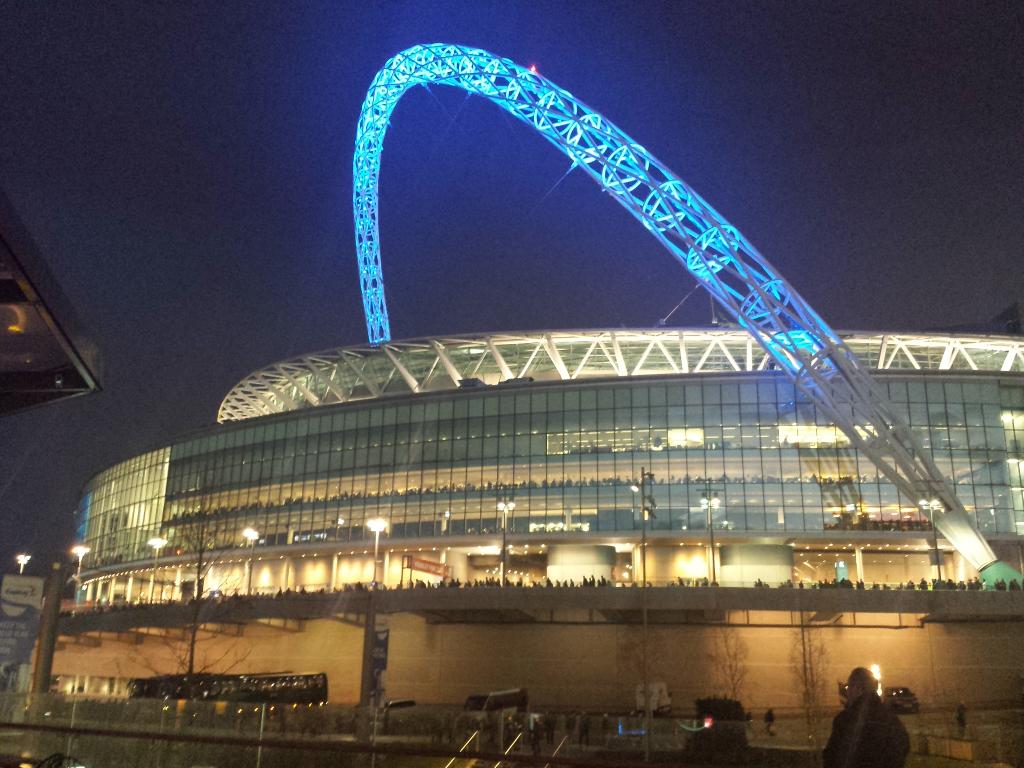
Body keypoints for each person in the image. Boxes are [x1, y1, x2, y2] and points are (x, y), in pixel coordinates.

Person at [823, 667, 909, 768]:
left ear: (858, 688)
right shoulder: (892, 720)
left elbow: (832, 758)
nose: (848, 693)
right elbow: (902, 749)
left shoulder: (845, 720)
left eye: (849, 687)